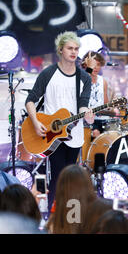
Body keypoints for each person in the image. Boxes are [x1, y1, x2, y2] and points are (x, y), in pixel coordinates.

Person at [25, 31, 94, 211]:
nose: (74, 52)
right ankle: (54, 218)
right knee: (57, 176)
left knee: (71, 178)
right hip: (51, 133)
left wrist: (86, 114)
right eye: (70, 48)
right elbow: (30, 100)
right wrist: (34, 121)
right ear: (60, 49)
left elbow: (83, 105)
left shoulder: (84, 77)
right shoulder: (48, 73)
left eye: (76, 49)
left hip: (74, 134)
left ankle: (71, 219)